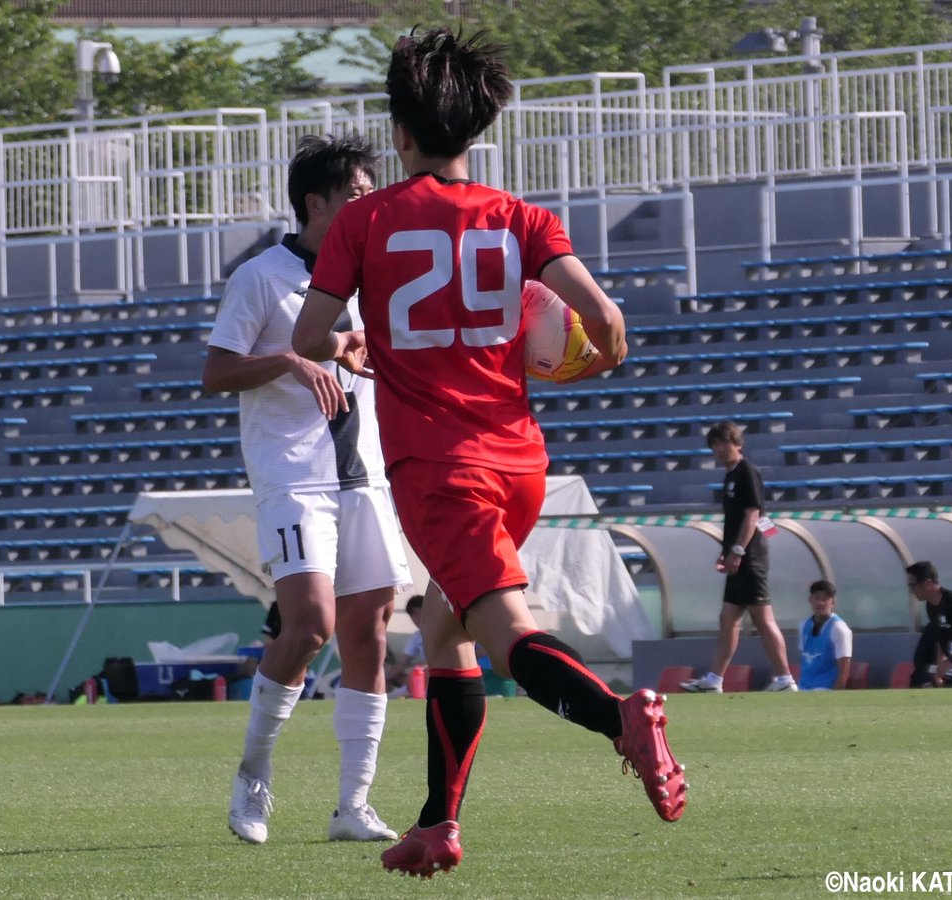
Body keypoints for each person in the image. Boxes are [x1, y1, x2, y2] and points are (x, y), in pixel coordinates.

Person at [291, 27, 687, 878]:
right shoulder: (523, 218)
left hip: (439, 469)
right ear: (476, 131)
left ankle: (620, 717)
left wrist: (351, 347)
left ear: (400, 131)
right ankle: (437, 823)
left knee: (504, 631)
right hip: (518, 462)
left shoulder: (363, 220)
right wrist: (590, 357)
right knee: (444, 627)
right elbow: (609, 327)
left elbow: (308, 333)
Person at [202, 133, 412, 846]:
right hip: (295, 475)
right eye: (356, 197)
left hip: (365, 475)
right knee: (309, 625)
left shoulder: (374, 277)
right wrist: (292, 357)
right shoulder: (260, 276)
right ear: (314, 204)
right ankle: (253, 775)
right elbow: (217, 372)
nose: (369, 208)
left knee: (370, 633)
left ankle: (353, 804)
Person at [681, 420, 797, 693]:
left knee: (763, 618)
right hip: (739, 559)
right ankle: (714, 680)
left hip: (750, 558)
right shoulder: (731, 475)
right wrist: (726, 553)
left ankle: (785, 678)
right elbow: (739, 519)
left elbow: (753, 514)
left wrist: (738, 551)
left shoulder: (747, 472)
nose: (720, 449)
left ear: (738, 444)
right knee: (728, 618)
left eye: (724, 443)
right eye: (715, 445)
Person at [797, 580, 853, 691]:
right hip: (803, 686)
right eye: (817, 598)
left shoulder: (839, 629)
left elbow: (844, 671)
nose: (820, 603)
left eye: (825, 599)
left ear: (833, 602)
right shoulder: (804, 625)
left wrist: (834, 699)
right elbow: (805, 660)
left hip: (824, 688)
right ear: (810, 600)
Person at [385, 593, 426, 697]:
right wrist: (385, 678)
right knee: (397, 676)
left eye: (418, 613)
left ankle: (404, 692)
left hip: (437, 671)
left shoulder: (442, 631)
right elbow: (403, 662)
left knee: (418, 673)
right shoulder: (416, 637)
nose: (416, 618)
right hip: (419, 673)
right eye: (413, 616)